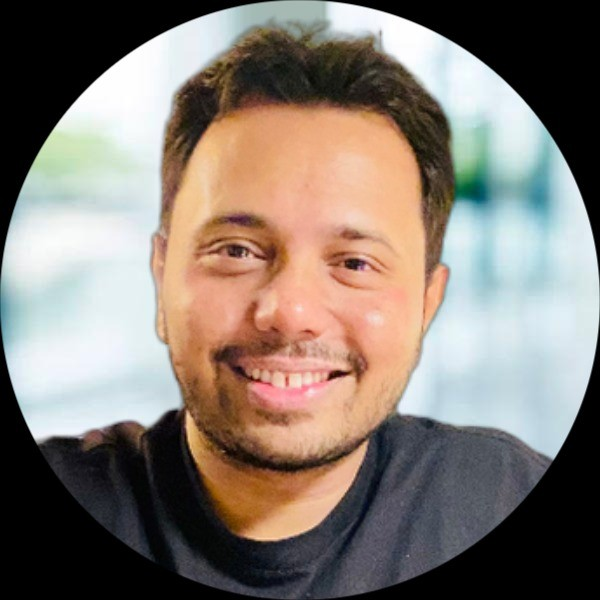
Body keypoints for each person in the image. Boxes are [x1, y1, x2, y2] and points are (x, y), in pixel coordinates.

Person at [39, 24, 550, 598]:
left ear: (428, 303)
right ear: (162, 281)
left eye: (354, 263)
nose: (290, 312)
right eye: (237, 252)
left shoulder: (502, 498)